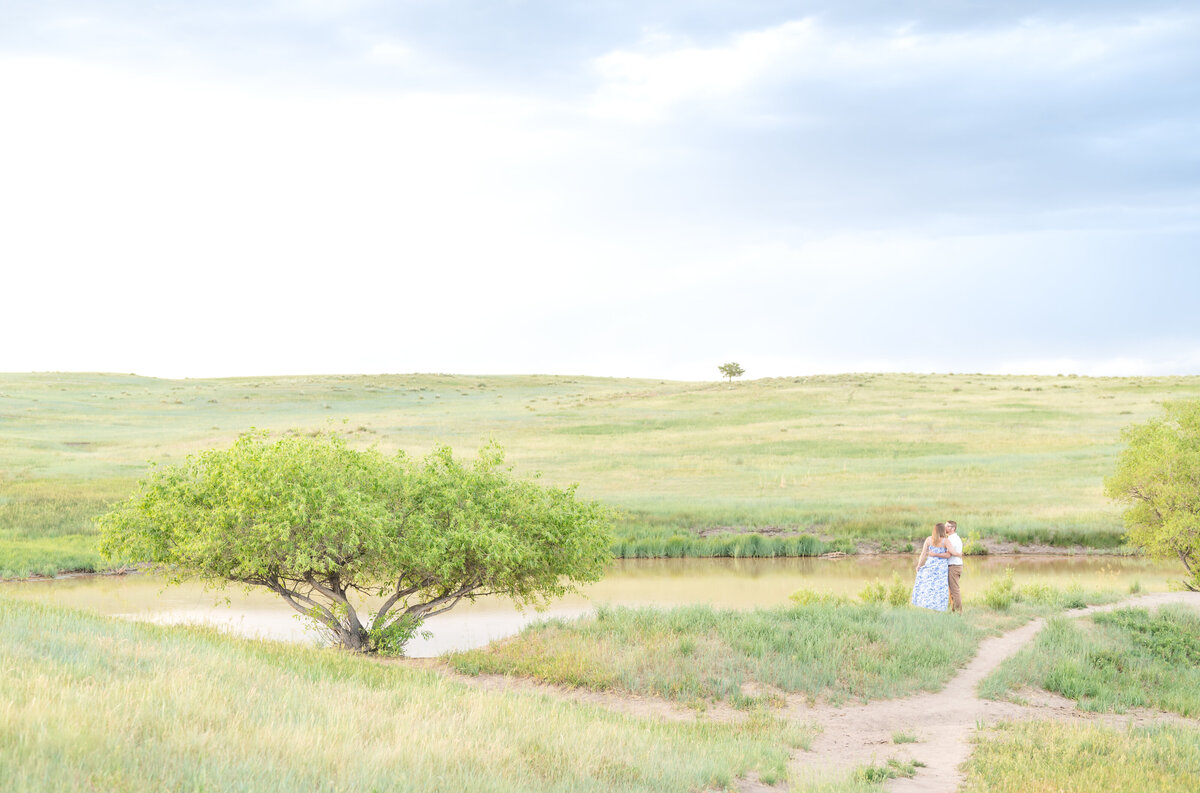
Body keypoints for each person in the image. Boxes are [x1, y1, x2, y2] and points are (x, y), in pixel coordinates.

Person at [911, 522, 951, 611]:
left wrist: (919, 565)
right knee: (940, 587)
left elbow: (923, 553)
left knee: (929, 586)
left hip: (930, 565)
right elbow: (949, 554)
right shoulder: (945, 540)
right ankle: (939, 607)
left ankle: (926, 604)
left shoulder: (929, 539)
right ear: (943, 530)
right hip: (941, 567)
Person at [945, 519, 963, 613]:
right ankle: (954, 611)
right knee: (952, 590)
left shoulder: (952, 539)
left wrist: (933, 554)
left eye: (947, 526)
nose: (945, 527)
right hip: (955, 565)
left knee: (954, 590)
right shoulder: (953, 538)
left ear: (953, 528)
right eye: (945, 525)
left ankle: (959, 612)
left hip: (954, 566)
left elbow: (949, 554)